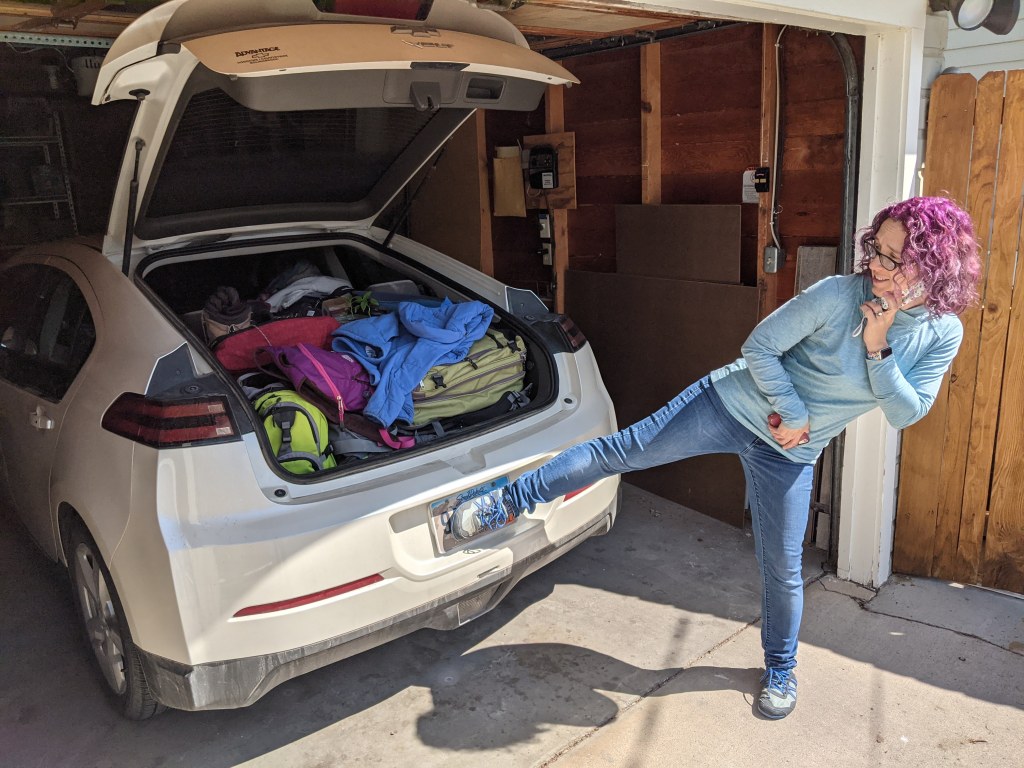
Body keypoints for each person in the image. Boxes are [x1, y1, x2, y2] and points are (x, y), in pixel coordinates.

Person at [444, 196, 982, 720]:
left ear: (931, 264)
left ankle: (780, 669)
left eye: (893, 257)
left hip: (790, 457)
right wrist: (792, 411)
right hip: (727, 405)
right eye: (876, 250)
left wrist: (878, 345)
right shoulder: (838, 294)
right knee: (621, 452)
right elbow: (760, 347)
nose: (876, 265)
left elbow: (906, 412)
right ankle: (502, 503)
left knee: (782, 569)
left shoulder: (940, 333)